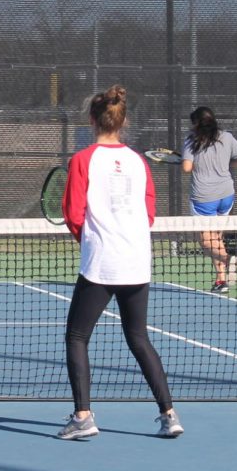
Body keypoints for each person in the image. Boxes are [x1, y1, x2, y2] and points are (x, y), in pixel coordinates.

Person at [58, 84, 183, 440]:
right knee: (139, 337)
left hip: (101, 262)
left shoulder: (82, 160)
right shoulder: (138, 161)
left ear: (92, 120)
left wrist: (92, 240)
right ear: (123, 121)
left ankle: (83, 417)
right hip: (136, 260)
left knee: (77, 336)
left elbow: (73, 212)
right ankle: (169, 415)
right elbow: (148, 212)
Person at [181, 106, 237, 293]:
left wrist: (193, 163)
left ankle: (228, 259)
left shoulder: (191, 140)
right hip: (226, 196)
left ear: (196, 123)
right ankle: (221, 281)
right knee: (216, 238)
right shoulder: (227, 137)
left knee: (206, 241)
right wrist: (226, 166)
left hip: (204, 198)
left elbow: (187, 168)